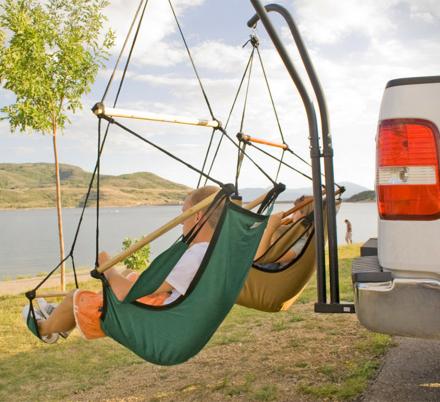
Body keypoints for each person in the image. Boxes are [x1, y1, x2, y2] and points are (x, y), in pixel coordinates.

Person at [22, 186, 223, 343]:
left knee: (75, 297)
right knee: (128, 273)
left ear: (197, 216)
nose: (180, 222)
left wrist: (107, 268)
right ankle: (61, 319)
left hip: (160, 320)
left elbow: (127, 294)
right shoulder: (219, 250)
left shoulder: (197, 255)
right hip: (179, 313)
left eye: (184, 213)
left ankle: (46, 329)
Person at [255, 195, 314, 265]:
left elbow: (260, 259)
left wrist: (270, 228)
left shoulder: (302, 244)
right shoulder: (294, 231)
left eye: (295, 210)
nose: (293, 213)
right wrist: (275, 226)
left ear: (305, 215)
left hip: (269, 273)